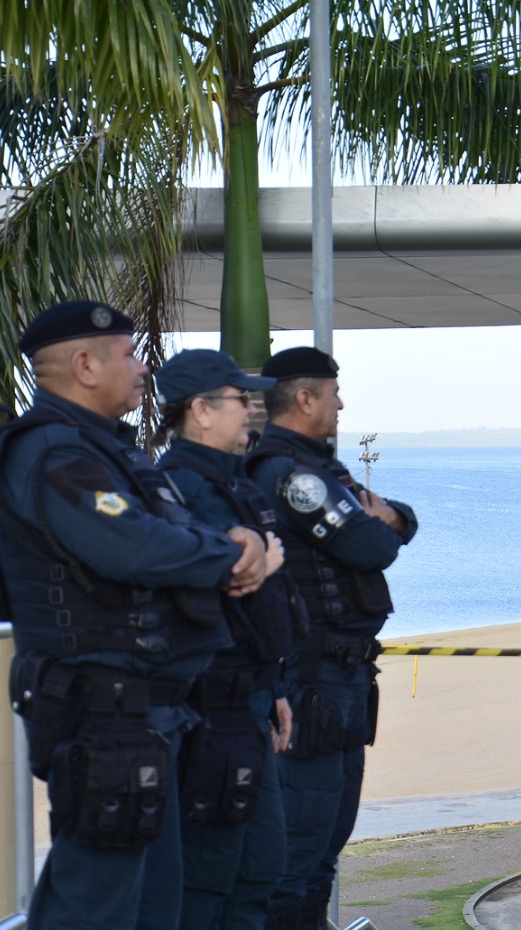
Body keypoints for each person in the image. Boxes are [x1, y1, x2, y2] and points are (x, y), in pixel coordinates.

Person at [0, 300, 273, 930]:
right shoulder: (52, 453)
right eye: (129, 353)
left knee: (152, 909)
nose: (144, 367)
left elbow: (169, 535)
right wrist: (229, 554)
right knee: (94, 907)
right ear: (86, 365)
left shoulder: (107, 452)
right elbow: (137, 546)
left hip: (146, 714)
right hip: (103, 715)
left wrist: (224, 548)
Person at [246, 347, 417, 930]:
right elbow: (373, 545)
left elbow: (401, 519)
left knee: (325, 845)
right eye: (333, 392)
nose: (340, 404)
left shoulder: (318, 469)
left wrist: (387, 520)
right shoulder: (291, 475)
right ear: (304, 398)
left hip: (339, 679)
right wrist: (383, 524)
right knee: (300, 846)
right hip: (310, 678)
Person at [154, 349, 305, 929]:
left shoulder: (232, 482)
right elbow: (229, 574)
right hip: (209, 706)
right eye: (241, 399)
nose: (252, 410)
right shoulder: (178, 486)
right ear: (200, 410)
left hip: (253, 700)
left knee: (262, 868)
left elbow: (260, 588)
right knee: (210, 877)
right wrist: (259, 558)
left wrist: (277, 689)